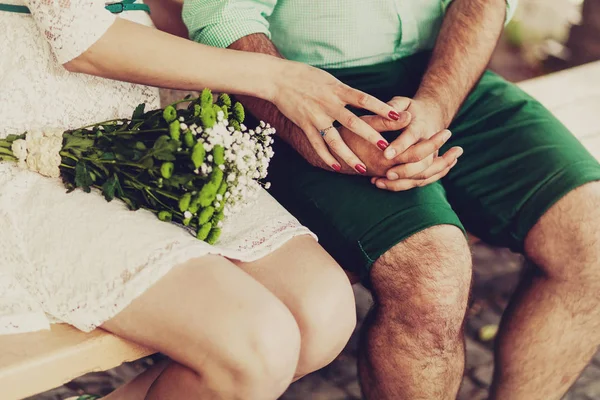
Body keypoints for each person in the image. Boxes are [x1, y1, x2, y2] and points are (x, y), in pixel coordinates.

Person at [183, 0, 600, 399]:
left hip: (449, 73)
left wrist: (437, 104)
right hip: (300, 90)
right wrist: (314, 130)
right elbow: (222, 15)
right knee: (432, 281)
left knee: (592, 234)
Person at [0, 1, 406, 398]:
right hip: (33, 155)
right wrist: (279, 78)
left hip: (145, 137)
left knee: (323, 314)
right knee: (256, 346)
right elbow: (81, 38)